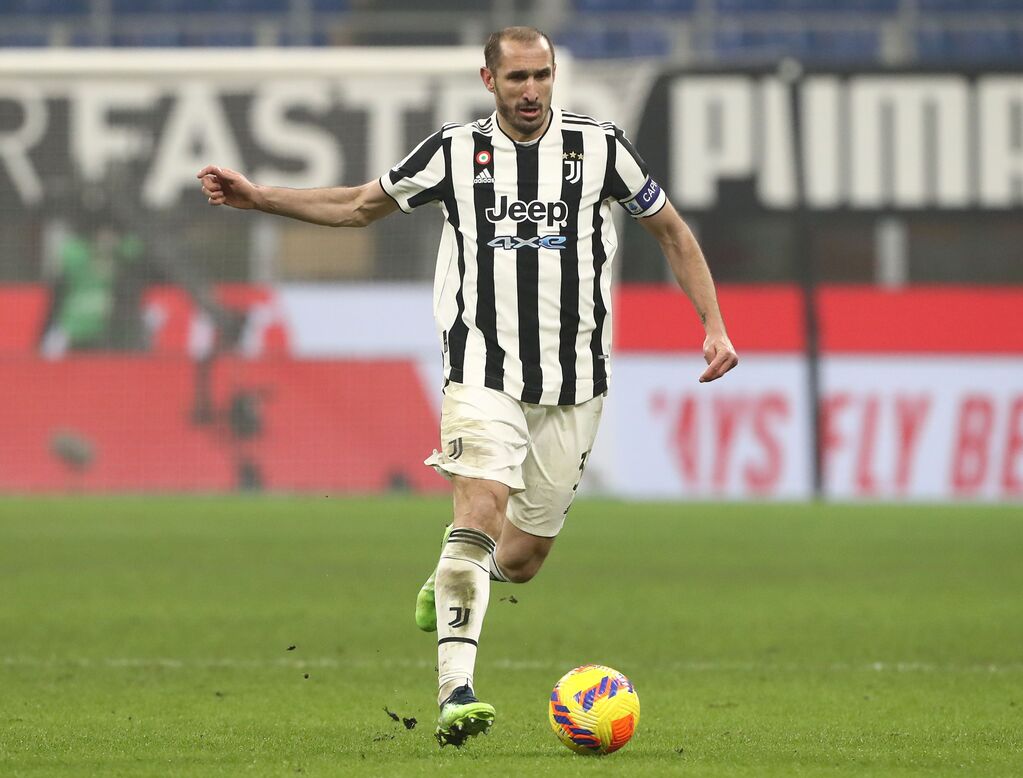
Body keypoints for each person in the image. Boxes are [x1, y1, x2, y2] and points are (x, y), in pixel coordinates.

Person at [197, 25, 738, 748]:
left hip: (576, 382)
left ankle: (452, 573)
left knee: (519, 558)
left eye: (541, 76)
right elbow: (360, 206)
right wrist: (258, 198)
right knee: (479, 509)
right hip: (482, 369)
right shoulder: (454, 152)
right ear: (489, 81)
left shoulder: (599, 147)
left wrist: (713, 324)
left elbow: (670, 230)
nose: (531, 91)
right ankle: (456, 691)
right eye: (516, 78)